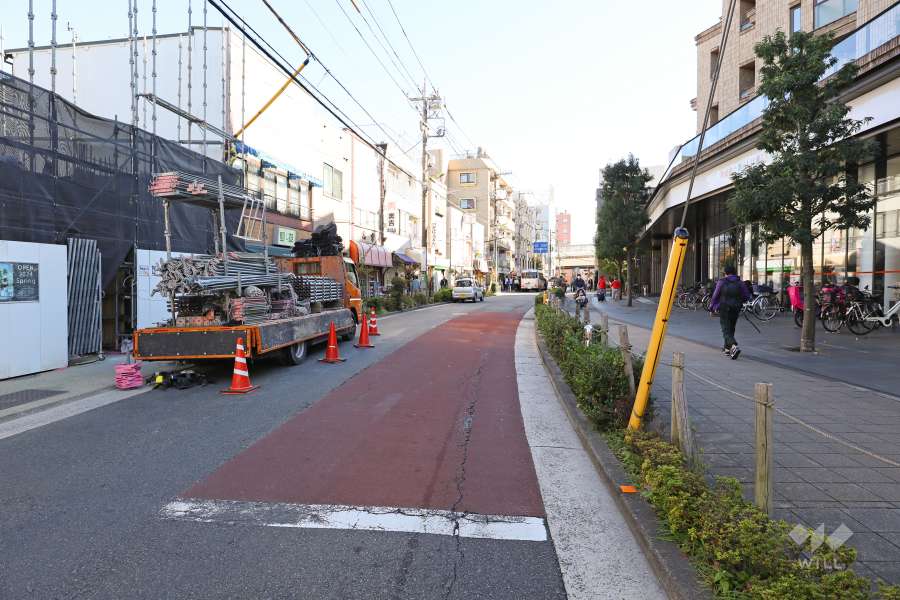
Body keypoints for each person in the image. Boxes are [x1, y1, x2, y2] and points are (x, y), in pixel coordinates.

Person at [710, 264, 751, 360]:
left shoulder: (722, 282)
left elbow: (715, 295)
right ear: (735, 272)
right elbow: (746, 296)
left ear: (726, 273)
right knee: (731, 328)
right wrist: (740, 301)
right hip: (736, 308)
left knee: (725, 329)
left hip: (724, 308)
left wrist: (712, 307)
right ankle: (727, 349)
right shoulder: (740, 283)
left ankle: (733, 346)